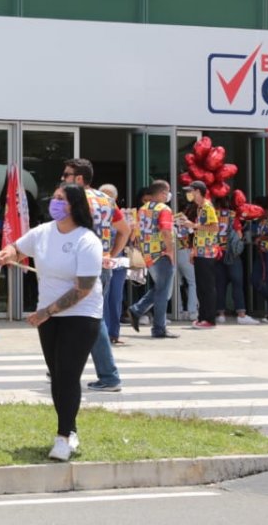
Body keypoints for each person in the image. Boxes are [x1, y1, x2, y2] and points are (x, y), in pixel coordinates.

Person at [0, 183, 103, 462]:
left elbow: (83, 288)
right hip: (49, 315)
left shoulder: (86, 240)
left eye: (61, 199)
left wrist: (48, 311)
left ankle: (63, 437)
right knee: (57, 375)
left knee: (67, 375)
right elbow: (17, 247)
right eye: (53, 197)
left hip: (80, 315)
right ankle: (72, 427)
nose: (54, 203)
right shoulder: (43, 232)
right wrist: (8, 253)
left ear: (74, 205)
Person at [62, 159, 128, 393]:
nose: (63, 179)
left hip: (81, 266)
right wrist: (110, 254)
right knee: (78, 316)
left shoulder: (74, 200)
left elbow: (66, 232)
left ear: (79, 179)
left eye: (67, 175)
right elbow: (125, 230)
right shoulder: (107, 200)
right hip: (103, 264)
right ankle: (62, 367)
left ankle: (109, 375)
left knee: (89, 319)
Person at [128, 180, 178, 339]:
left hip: (148, 254)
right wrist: (170, 251)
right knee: (163, 292)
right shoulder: (164, 209)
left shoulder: (143, 209)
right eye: (168, 192)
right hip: (162, 254)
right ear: (163, 193)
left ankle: (137, 310)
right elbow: (165, 231)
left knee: (161, 288)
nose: (168, 195)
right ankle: (159, 328)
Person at [180, 181, 222, 329]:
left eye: (190, 191)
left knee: (207, 287)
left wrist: (194, 225)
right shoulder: (199, 208)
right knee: (201, 287)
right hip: (201, 252)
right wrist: (194, 250)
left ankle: (209, 319)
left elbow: (215, 227)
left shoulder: (207, 207)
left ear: (198, 191)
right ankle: (202, 317)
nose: (189, 194)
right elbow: (200, 233)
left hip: (208, 253)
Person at [215, 197, 258, 325]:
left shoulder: (213, 214)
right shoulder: (234, 215)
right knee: (237, 284)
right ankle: (241, 314)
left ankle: (221, 314)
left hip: (218, 253)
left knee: (220, 285)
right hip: (232, 254)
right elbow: (238, 235)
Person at [97, 183, 128, 344]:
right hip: (102, 263)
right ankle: (104, 334)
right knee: (103, 298)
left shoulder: (122, 216)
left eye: (110, 196)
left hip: (118, 262)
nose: (106, 199)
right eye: (103, 195)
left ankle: (114, 333)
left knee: (116, 298)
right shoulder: (95, 215)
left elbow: (127, 234)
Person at [174, 199, 198, 322]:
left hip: (172, 252)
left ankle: (178, 311)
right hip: (184, 251)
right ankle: (192, 311)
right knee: (193, 282)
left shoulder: (171, 218)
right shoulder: (185, 220)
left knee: (176, 283)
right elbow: (192, 234)